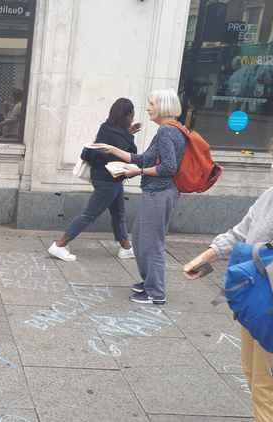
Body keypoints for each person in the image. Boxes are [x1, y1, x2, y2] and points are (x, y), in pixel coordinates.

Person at [183, 127, 273, 421]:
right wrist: (208, 254)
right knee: (255, 379)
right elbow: (241, 233)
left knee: (272, 391)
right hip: (258, 303)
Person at [90, 89, 186, 305]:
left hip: (160, 192)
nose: (148, 107)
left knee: (152, 243)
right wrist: (113, 149)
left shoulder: (166, 132)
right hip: (156, 191)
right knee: (140, 238)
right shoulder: (168, 130)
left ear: (163, 106)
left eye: (151, 103)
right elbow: (142, 158)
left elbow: (169, 167)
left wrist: (138, 172)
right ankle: (150, 282)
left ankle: (156, 293)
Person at [48, 98, 141, 262]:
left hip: (108, 179)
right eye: (132, 115)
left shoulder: (106, 128)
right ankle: (60, 245)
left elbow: (117, 145)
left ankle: (126, 248)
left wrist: (128, 132)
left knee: (118, 213)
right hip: (108, 181)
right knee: (89, 215)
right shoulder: (120, 135)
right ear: (126, 116)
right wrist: (130, 134)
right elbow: (130, 154)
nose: (133, 118)